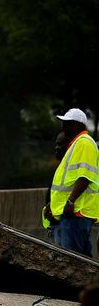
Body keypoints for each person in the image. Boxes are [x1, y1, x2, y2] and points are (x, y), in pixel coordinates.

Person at [46, 108, 99, 256]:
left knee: (72, 261)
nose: (63, 127)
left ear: (78, 125)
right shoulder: (76, 145)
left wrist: (71, 201)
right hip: (71, 213)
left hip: (76, 212)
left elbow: (85, 177)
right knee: (81, 260)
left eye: (67, 123)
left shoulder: (85, 143)